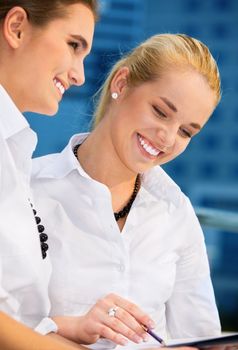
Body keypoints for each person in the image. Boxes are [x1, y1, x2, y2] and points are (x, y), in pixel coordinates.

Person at [31, 33, 222, 349]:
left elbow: (202, 339)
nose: (167, 137)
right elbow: (7, 322)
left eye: (186, 131)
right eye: (161, 111)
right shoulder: (28, 187)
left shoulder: (177, 212)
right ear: (121, 83)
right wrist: (71, 326)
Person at [0, 1, 98, 349]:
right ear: (16, 28)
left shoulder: (14, 147)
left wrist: (64, 327)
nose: (79, 75)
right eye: (74, 46)